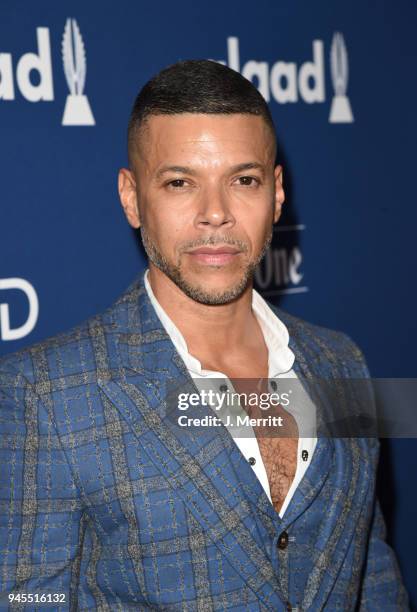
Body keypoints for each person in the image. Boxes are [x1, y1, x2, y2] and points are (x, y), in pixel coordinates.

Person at [0, 60, 408, 611]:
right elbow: (26, 599)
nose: (215, 214)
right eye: (179, 182)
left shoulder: (342, 361)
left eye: (243, 180)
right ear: (131, 196)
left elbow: (372, 569)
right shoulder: (43, 394)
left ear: (278, 193)